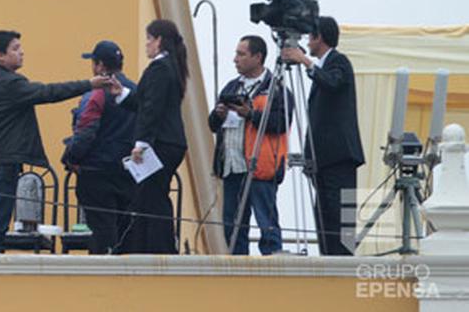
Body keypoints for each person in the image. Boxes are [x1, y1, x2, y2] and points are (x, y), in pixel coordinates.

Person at [0, 29, 111, 253]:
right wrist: (89, 84)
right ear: (0, 56)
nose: (22, 52)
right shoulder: (7, 83)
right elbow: (48, 92)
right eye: (15, 49)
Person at [282, 16, 364, 256]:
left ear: (319, 37)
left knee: (340, 220)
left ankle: (343, 267)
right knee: (325, 220)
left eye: (310, 36)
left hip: (339, 158)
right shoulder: (325, 67)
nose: (307, 41)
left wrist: (305, 62)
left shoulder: (339, 62)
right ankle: (330, 264)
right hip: (324, 161)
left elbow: (333, 83)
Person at [208, 35, 293, 255]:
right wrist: (218, 115)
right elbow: (212, 125)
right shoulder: (232, 86)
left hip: (260, 167)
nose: (235, 59)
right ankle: (237, 269)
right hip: (233, 166)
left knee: (267, 222)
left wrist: (251, 114)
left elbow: (281, 123)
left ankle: (273, 265)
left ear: (258, 57)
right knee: (232, 226)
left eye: (241, 54)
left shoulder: (276, 88)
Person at [110, 19, 189, 254]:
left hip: (161, 142)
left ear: (158, 41)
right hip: (171, 141)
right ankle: (150, 245)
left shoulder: (159, 68)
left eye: (149, 39)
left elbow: (151, 109)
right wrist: (122, 93)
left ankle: (159, 248)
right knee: (152, 193)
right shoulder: (171, 67)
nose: (146, 44)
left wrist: (141, 144)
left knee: (152, 195)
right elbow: (146, 104)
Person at [61, 40, 137, 254]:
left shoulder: (97, 93)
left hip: (97, 173)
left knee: (101, 233)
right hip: (129, 172)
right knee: (125, 233)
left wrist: (70, 158)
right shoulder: (136, 90)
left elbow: (85, 132)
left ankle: (103, 280)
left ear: (100, 66)